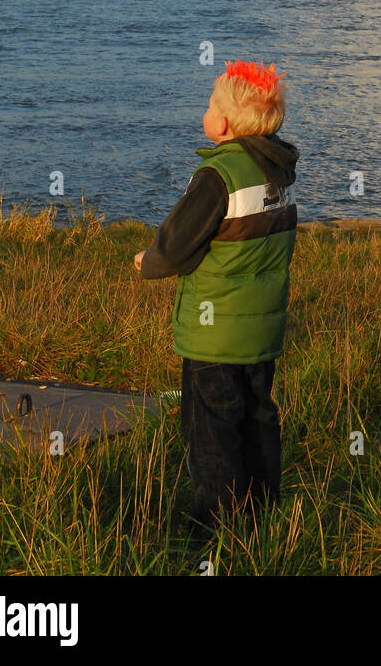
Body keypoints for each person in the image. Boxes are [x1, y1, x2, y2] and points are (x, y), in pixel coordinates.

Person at [134, 60, 299, 540]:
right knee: (257, 415)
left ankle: (216, 528)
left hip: (214, 333)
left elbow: (178, 240)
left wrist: (150, 261)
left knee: (211, 428)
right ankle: (262, 513)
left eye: (210, 104)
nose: (205, 109)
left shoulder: (217, 175)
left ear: (223, 123)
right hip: (261, 329)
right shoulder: (278, 174)